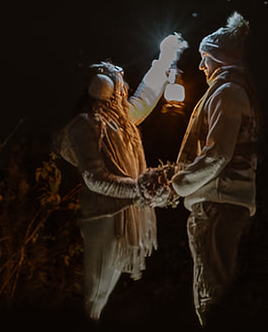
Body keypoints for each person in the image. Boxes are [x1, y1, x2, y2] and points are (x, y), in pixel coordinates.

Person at [55, 33, 185, 321]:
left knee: (100, 295)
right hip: (101, 217)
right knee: (93, 294)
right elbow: (94, 177)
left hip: (123, 214)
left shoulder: (121, 120)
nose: (122, 82)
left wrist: (164, 60)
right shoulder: (84, 125)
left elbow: (147, 96)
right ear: (103, 85)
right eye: (116, 78)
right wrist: (139, 189)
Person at [151, 12, 258, 324]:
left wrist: (176, 185)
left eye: (205, 58)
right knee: (216, 293)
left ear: (219, 59)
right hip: (222, 204)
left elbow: (217, 155)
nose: (201, 66)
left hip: (217, 203)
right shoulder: (233, 92)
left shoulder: (227, 93)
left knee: (212, 296)